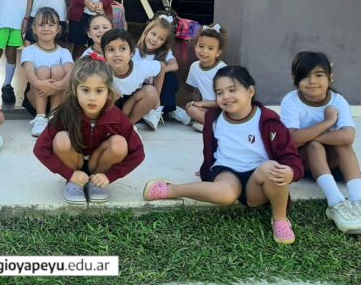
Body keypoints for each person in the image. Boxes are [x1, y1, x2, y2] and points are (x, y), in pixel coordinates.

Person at [144, 66, 303, 245]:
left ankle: (280, 219)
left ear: (250, 91)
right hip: (227, 173)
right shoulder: (214, 120)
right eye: (219, 93)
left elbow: (290, 155)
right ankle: (171, 189)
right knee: (225, 194)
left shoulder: (269, 121)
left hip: (258, 181)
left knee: (272, 168)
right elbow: (211, 152)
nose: (226, 96)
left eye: (232, 90)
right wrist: (206, 170)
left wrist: (291, 172)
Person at [33, 55, 145, 204]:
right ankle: (74, 183)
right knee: (61, 139)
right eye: (85, 90)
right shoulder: (65, 113)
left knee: (119, 143)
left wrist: (110, 176)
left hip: (99, 163)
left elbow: (138, 153)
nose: (92, 98)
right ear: (75, 90)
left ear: (108, 92)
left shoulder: (117, 117)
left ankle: (96, 183)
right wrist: (69, 174)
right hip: (74, 161)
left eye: (99, 91)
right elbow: (40, 149)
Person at [280, 51, 361, 234]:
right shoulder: (291, 100)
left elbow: (348, 136)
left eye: (319, 75)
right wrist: (327, 123)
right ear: (295, 79)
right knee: (314, 146)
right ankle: (336, 203)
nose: (312, 81)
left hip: (330, 160)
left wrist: (308, 136)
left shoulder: (338, 100)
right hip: (302, 161)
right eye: (305, 76)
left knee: (343, 145)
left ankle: (358, 199)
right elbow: (292, 140)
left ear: (330, 78)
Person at [21, 7, 74, 137]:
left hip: (59, 95)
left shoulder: (64, 52)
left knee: (57, 69)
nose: (46, 28)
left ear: (58, 29)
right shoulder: (29, 50)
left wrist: (60, 85)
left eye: (51, 25)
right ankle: (40, 117)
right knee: (43, 70)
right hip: (36, 97)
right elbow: (28, 70)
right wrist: (40, 83)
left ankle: (54, 116)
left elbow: (71, 71)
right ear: (34, 29)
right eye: (41, 25)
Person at [101, 28, 165, 130]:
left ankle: (128, 126)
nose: (117, 54)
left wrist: (158, 95)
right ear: (104, 55)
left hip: (132, 102)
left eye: (122, 49)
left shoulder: (140, 67)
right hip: (112, 104)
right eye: (111, 50)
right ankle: (113, 123)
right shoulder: (101, 71)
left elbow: (161, 66)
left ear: (131, 53)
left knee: (151, 92)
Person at [172, 24, 228, 131]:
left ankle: (216, 126)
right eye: (201, 46)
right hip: (207, 109)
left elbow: (225, 100)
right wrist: (196, 104)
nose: (204, 51)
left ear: (218, 52)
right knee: (190, 108)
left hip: (223, 109)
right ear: (195, 47)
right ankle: (208, 123)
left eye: (210, 48)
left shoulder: (223, 70)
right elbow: (196, 92)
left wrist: (201, 104)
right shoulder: (194, 67)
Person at [134, 15, 179, 129]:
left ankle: (158, 110)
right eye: (153, 34)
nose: (154, 40)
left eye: (161, 39)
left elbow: (174, 65)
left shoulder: (165, 53)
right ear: (146, 32)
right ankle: (168, 111)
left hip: (158, 87)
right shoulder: (135, 52)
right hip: (142, 86)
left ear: (164, 43)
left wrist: (159, 72)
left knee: (170, 77)